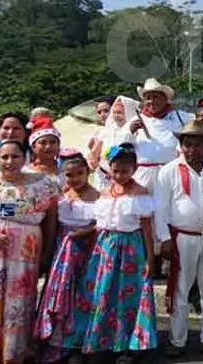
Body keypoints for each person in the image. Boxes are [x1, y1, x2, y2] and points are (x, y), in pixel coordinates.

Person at [0, 139, 61, 363]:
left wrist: (47, 254)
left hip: (24, 256)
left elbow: (50, 222)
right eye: (4, 157)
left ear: (25, 159)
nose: (9, 161)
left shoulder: (44, 186)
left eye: (15, 156)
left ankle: (13, 352)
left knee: (18, 302)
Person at [68, 144, 157, 363]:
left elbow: (146, 227)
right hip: (105, 248)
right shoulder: (105, 193)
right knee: (101, 293)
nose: (119, 175)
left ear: (134, 169)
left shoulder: (141, 193)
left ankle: (129, 345)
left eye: (125, 171)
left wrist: (150, 258)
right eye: (115, 170)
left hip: (130, 248)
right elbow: (100, 225)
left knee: (129, 295)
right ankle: (100, 340)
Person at [154, 120, 203, 357]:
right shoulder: (168, 170)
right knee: (179, 290)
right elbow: (160, 208)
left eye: (197, 145)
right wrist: (165, 239)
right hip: (181, 238)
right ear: (181, 145)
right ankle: (177, 340)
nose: (192, 150)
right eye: (187, 144)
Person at [36, 156, 100, 364]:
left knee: (85, 296)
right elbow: (52, 226)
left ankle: (80, 344)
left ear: (87, 172)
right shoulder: (61, 197)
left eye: (79, 173)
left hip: (88, 252)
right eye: (69, 175)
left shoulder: (98, 197)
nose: (74, 179)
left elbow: (102, 225)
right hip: (63, 252)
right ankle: (58, 342)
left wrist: (84, 232)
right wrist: (48, 253)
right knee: (62, 295)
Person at [128, 78, 194, 191]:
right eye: (148, 98)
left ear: (165, 99)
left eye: (155, 97)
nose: (152, 101)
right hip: (144, 176)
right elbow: (122, 145)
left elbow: (198, 127)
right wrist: (130, 132)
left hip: (172, 173)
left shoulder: (181, 117)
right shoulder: (135, 121)